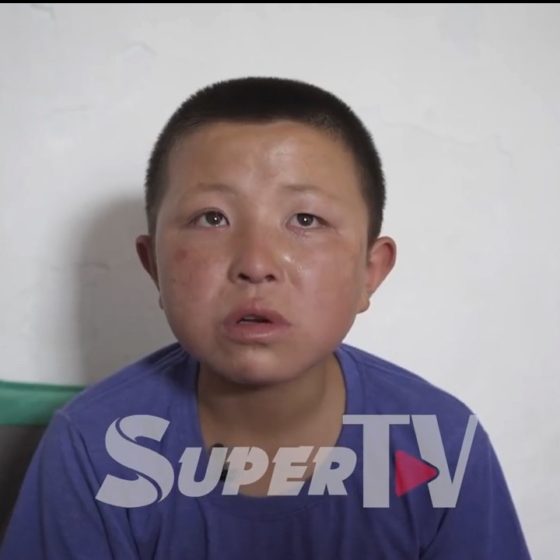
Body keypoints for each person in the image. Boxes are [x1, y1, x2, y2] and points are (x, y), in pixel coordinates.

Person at [0, 77, 532, 559]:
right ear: (153, 266)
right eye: (212, 217)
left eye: (306, 219)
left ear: (369, 273)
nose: (255, 264)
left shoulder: (439, 444)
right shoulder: (93, 447)